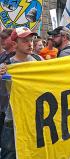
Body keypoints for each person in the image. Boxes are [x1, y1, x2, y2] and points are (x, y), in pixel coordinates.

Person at [0, 27, 42, 159]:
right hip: (12, 120)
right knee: (10, 154)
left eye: (31, 40)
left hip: (34, 118)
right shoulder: (6, 66)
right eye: (24, 41)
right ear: (14, 44)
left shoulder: (40, 62)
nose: (30, 43)